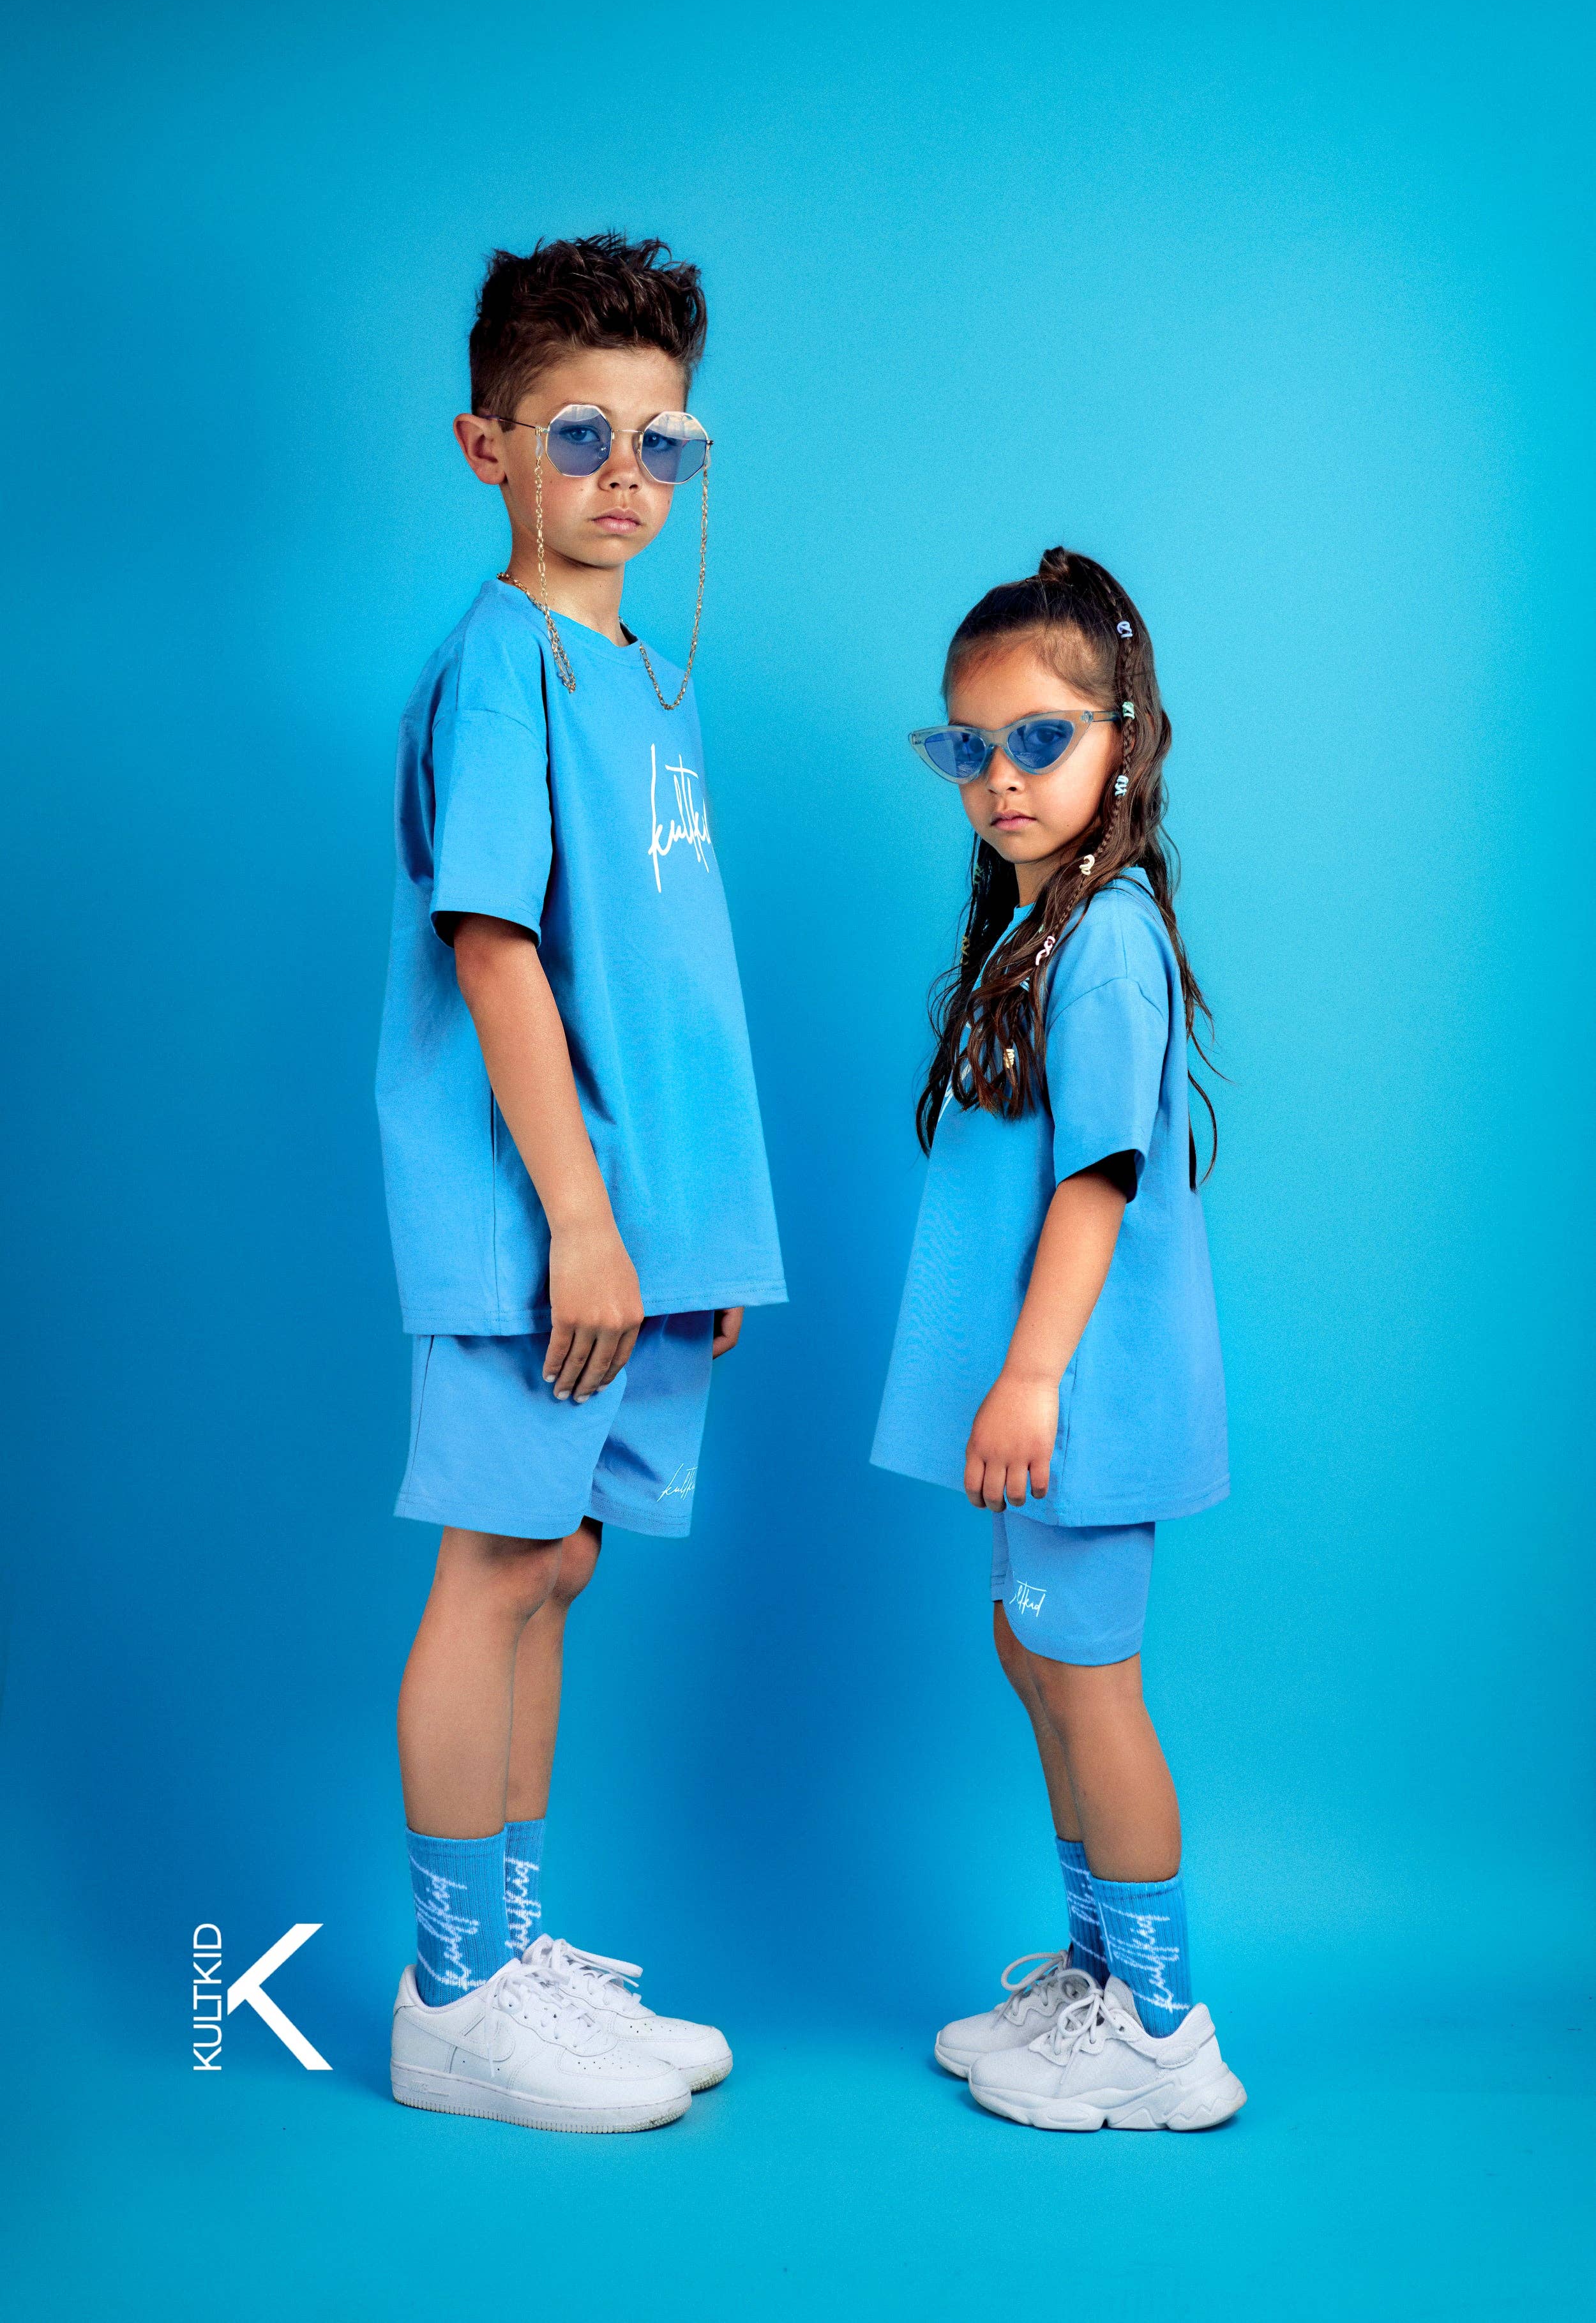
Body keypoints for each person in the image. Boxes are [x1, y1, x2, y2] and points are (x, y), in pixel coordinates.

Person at [374, 234, 785, 2133]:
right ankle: (452, 1992)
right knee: (489, 1570)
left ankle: (515, 1955)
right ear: (488, 446)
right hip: (544, 1227)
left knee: (556, 1563)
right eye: (578, 433)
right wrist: (586, 1217)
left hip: (640, 1234)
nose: (625, 473)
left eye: (659, 440)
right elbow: (494, 946)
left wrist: (690, 1235)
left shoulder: (647, 678)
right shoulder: (500, 668)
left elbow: (664, 979)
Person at [872, 548, 1246, 2131]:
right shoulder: (1036, 932)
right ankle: (1100, 1977)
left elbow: (1095, 1184)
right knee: (1034, 1656)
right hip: (1044, 1403)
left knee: (1089, 1682)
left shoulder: (1104, 944)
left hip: (1083, 1396)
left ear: (1123, 741)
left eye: (1040, 738)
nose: (1001, 778)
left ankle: (1160, 2031)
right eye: (968, 747)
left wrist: (1028, 1378)